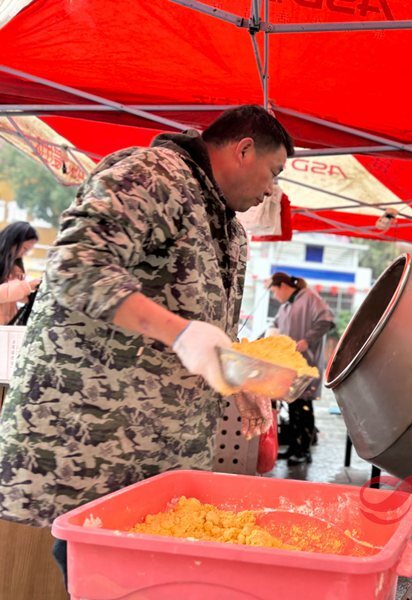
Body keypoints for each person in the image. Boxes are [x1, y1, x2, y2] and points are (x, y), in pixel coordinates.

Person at [0, 105, 293, 585]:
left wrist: (238, 375)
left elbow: (208, 320)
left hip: (160, 450)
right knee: (100, 566)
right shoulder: (152, 175)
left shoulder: (229, 228)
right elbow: (78, 265)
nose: (270, 190)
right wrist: (178, 333)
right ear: (243, 149)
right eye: (273, 172)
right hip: (95, 435)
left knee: (144, 572)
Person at [268, 272, 334, 465]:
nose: (274, 296)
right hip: (290, 366)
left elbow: (326, 321)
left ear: (283, 286)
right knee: (293, 405)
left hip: (306, 364)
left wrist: (307, 340)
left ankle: (304, 451)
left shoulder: (309, 297)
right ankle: (293, 449)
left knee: (304, 407)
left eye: (274, 291)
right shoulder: (286, 306)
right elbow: (275, 324)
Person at [0, 222, 40, 325]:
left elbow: (10, 297)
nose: (25, 253)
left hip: (7, 329)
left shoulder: (15, 268)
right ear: (13, 241)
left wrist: (31, 294)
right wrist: (26, 286)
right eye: (24, 248)